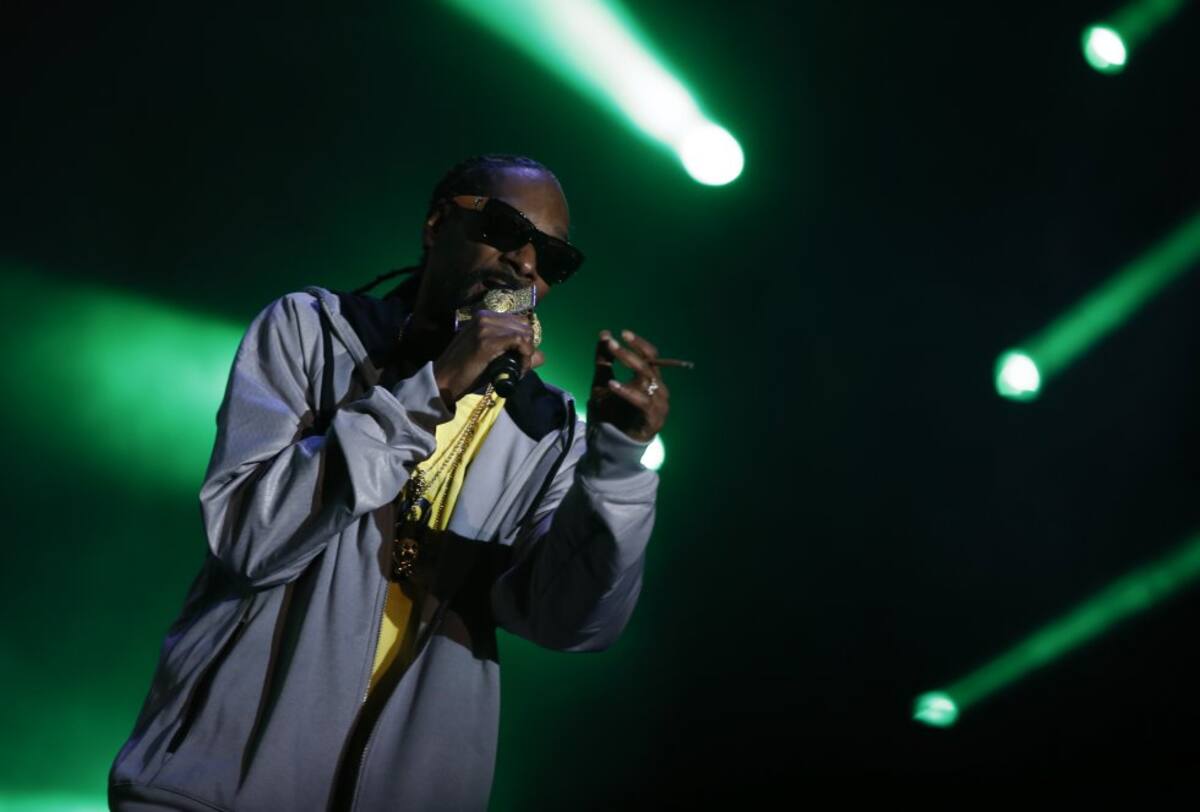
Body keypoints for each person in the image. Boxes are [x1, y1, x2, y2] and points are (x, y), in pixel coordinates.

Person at [108, 154, 670, 811]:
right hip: (216, 789)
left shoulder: (549, 432)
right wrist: (433, 386)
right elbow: (249, 539)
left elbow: (570, 622)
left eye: (552, 258)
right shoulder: (314, 332)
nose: (525, 263)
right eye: (504, 229)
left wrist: (616, 463)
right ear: (436, 225)